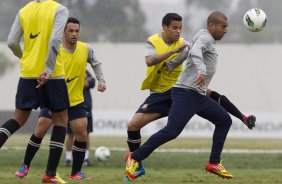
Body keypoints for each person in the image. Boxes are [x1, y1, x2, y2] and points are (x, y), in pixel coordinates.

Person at [125, 13, 255, 181]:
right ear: (212, 26)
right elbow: (193, 50)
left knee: (224, 120)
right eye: (223, 26)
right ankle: (135, 157)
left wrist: (172, 63)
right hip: (185, 93)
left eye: (227, 27)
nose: (226, 30)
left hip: (197, 96)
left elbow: (188, 49)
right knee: (171, 131)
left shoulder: (204, 38)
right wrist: (201, 69)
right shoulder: (205, 38)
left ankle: (214, 163)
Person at [14, 17, 106, 181]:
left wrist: (101, 80)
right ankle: (25, 165)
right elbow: (43, 68)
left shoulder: (86, 49)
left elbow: (96, 63)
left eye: (77, 31)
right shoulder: (54, 49)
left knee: (81, 131)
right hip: (55, 99)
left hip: (76, 100)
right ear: (63, 32)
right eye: (70, 30)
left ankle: (76, 172)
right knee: (41, 128)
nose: (74, 34)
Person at [2, 0, 69, 183]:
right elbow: (55, 39)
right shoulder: (59, 9)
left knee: (18, 118)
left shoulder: (24, 10)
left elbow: (11, 42)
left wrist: (25, 57)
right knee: (61, 120)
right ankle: (50, 174)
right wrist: (47, 69)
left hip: (27, 73)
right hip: (52, 74)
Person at [65, 70, 96, 167]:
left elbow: (92, 82)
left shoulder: (84, 70)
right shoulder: (69, 69)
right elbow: (79, 84)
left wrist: (85, 81)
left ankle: (85, 158)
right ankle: (68, 158)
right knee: (70, 134)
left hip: (86, 107)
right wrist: (83, 82)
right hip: (73, 106)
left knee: (86, 133)